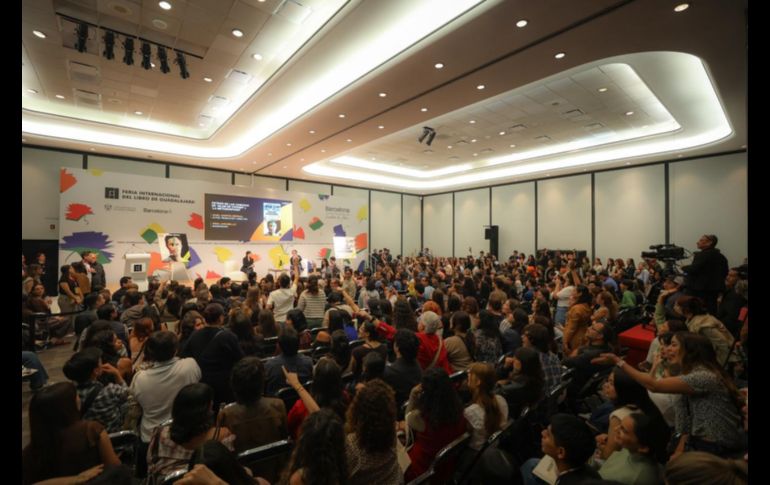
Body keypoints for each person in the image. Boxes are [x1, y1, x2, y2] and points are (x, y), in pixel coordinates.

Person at [22, 382, 121, 485]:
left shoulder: (29, 452)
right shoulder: (91, 430)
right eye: (76, 396)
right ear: (67, 406)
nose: (79, 398)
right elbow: (114, 466)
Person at [681, 234, 729, 315]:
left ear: (709, 243)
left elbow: (694, 269)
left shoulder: (702, 255)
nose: (697, 242)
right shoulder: (721, 257)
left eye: (701, 240)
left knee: (697, 311)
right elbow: (725, 272)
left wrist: (683, 267)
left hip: (699, 290)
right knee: (711, 310)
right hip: (714, 290)